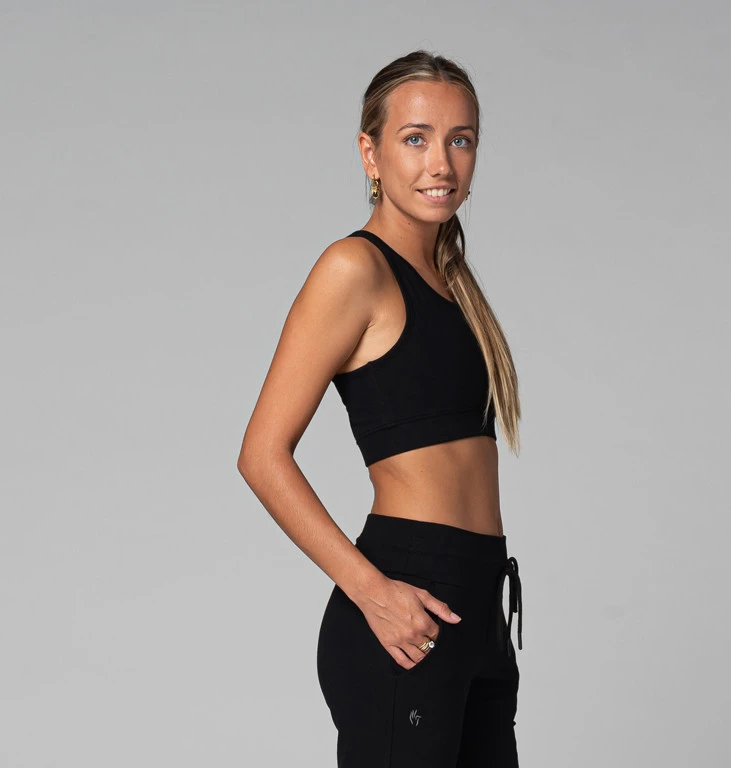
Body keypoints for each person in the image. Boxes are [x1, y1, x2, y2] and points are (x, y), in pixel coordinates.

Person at [236, 50, 524, 768]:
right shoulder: (353, 268)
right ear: (371, 153)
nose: (441, 164)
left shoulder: (455, 284)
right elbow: (261, 456)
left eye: (460, 139)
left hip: (480, 605)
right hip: (407, 601)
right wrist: (371, 592)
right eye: (415, 138)